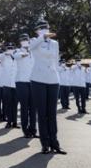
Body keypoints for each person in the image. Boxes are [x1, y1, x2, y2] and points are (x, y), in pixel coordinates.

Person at [29, 19, 66, 155]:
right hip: (38, 79)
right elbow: (30, 48)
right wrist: (42, 37)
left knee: (52, 114)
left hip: (52, 79)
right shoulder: (34, 41)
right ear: (37, 30)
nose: (45, 29)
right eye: (42, 27)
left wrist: (57, 77)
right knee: (42, 113)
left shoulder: (55, 43)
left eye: (47, 27)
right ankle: (45, 144)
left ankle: (55, 143)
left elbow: (55, 60)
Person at [14, 34, 36, 138]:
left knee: (33, 107)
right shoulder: (17, 51)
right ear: (20, 42)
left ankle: (33, 129)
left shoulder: (33, 51)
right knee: (24, 107)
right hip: (21, 82)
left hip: (32, 81)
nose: (25, 41)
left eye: (26, 39)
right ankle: (25, 130)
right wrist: (26, 52)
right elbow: (17, 57)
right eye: (23, 40)